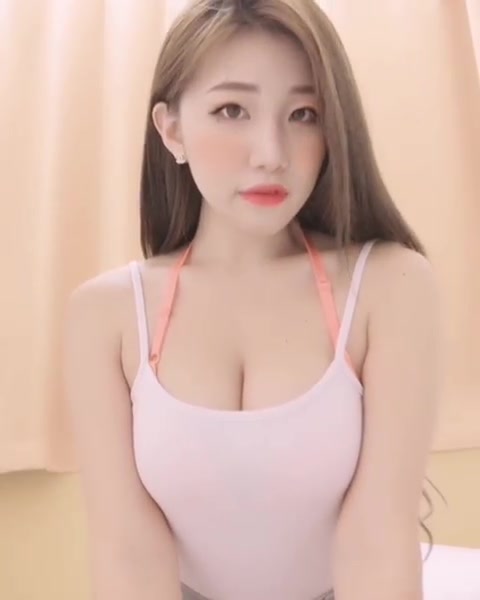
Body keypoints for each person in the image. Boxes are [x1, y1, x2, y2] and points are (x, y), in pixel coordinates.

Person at [64, 1, 442, 599]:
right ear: (171, 130)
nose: (271, 152)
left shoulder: (390, 285)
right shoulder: (105, 315)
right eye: (232, 110)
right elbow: (129, 551)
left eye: (304, 114)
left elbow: (376, 538)